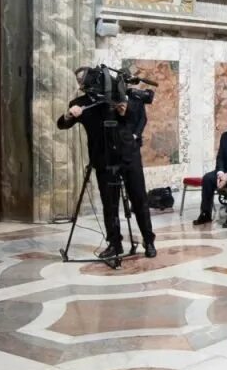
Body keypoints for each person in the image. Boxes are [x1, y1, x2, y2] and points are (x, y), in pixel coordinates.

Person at [57, 69, 157, 258]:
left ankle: (149, 240)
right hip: (103, 160)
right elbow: (62, 124)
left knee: (139, 200)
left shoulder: (123, 96)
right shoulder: (82, 103)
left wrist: (125, 111)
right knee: (109, 204)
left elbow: (138, 119)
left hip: (129, 157)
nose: (80, 82)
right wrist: (70, 114)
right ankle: (115, 243)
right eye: (78, 80)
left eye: (82, 78)